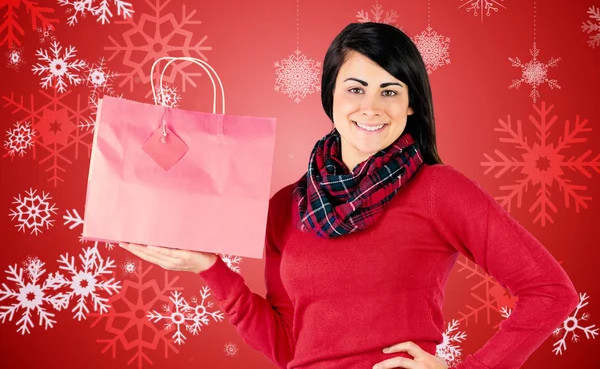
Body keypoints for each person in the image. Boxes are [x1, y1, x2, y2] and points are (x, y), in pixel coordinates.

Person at [120, 22, 580, 369]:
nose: (371, 107)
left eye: (390, 91)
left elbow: (550, 292)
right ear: (330, 96)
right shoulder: (287, 205)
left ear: (412, 102)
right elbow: (286, 345)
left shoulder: (440, 190)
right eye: (355, 88)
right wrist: (210, 267)